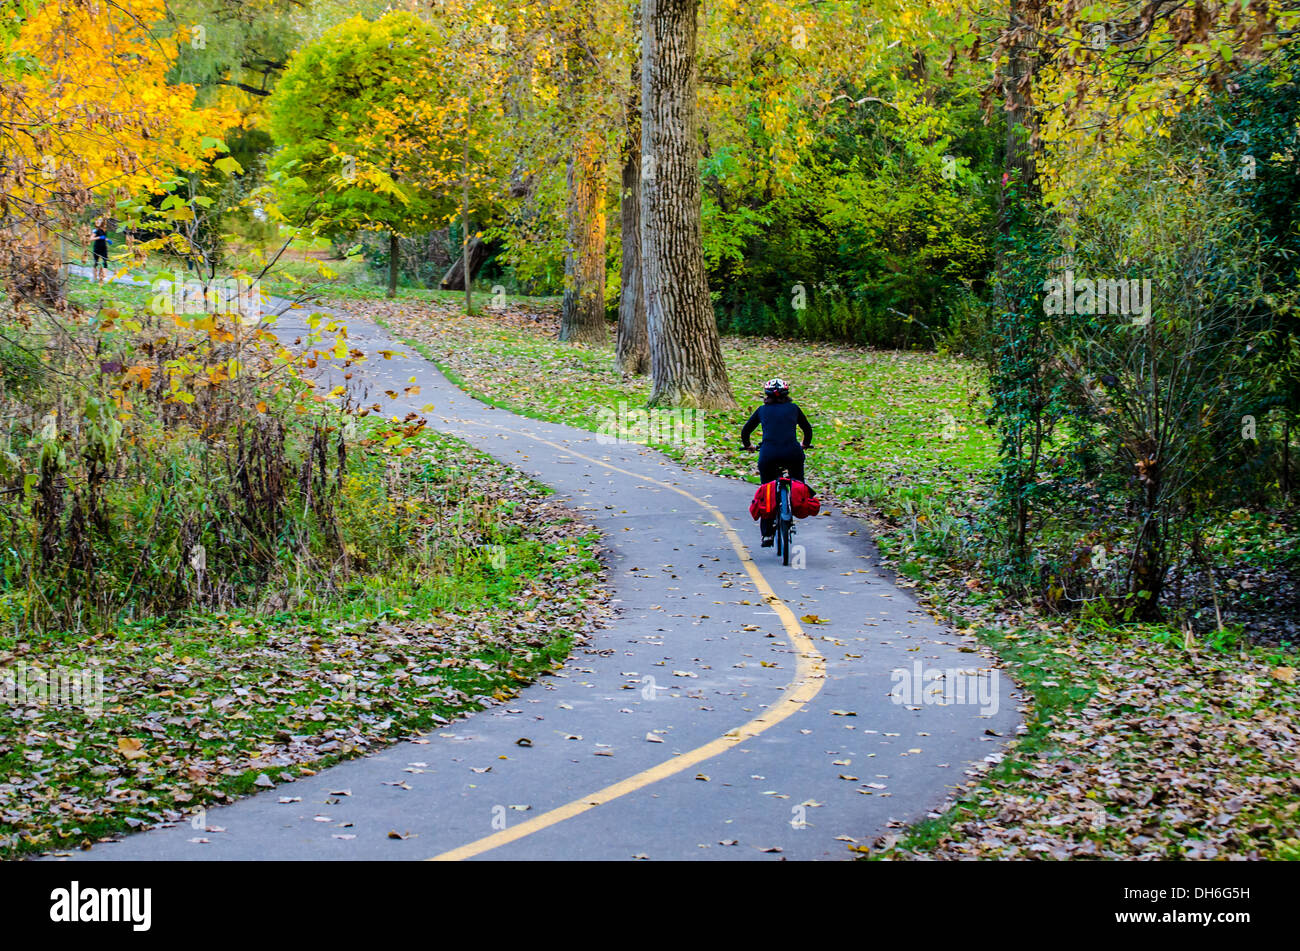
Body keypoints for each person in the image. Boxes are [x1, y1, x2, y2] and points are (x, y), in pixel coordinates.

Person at [741, 378, 814, 546]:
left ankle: (766, 534)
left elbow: (746, 431)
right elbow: (807, 429)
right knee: (797, 482)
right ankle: (796, 505)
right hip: (792, 453)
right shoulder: (794, 409)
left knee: (767, 491)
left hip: (769, 455)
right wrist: (805, 444)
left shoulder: (762, 410)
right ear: (786, 394)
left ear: (766, 395)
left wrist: (749, 446)